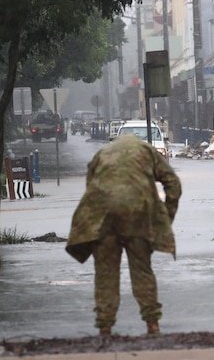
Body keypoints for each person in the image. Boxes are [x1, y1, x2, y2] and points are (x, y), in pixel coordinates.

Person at [65, 133, 182, 337]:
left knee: (105, 274)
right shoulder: (147, 152)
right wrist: (165, 217)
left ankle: (105, 327)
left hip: (103, 219)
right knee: (142, 270)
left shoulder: (101, 154)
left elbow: (91, 188)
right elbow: (173, 183)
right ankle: (152, 325)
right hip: (138, 218)